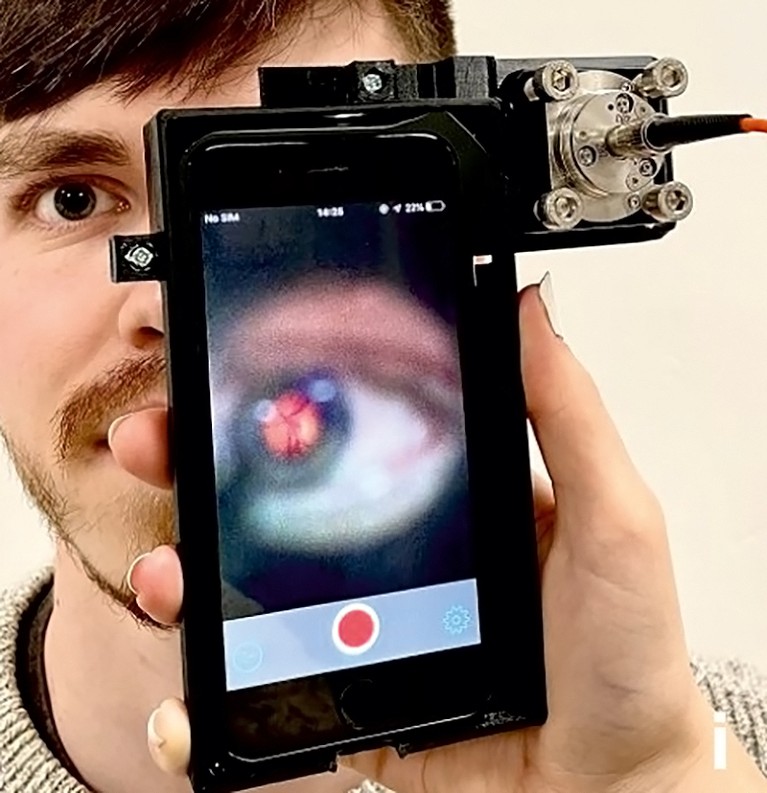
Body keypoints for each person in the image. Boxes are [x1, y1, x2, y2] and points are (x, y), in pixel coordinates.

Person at [0, 1, 765, 792]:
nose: (168, 302)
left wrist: (652, 777)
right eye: (72, 199)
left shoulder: (720, 747)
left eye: (292, 184)